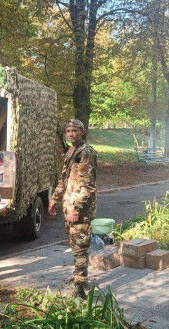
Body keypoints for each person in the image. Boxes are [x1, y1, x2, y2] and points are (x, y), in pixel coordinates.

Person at [48, 119, 98, 299]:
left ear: (82, 132)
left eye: (74, 131)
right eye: (68, 130)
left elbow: (88, 186)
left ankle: (80, 284)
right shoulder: (71, 151)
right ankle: (79, 279)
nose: (70, 134)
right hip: (69, 207)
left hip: (79, 210)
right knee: (74, 244)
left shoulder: (86, 153)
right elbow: (64, 180)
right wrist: (54, 199)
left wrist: (76, 208)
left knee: (80, 247)